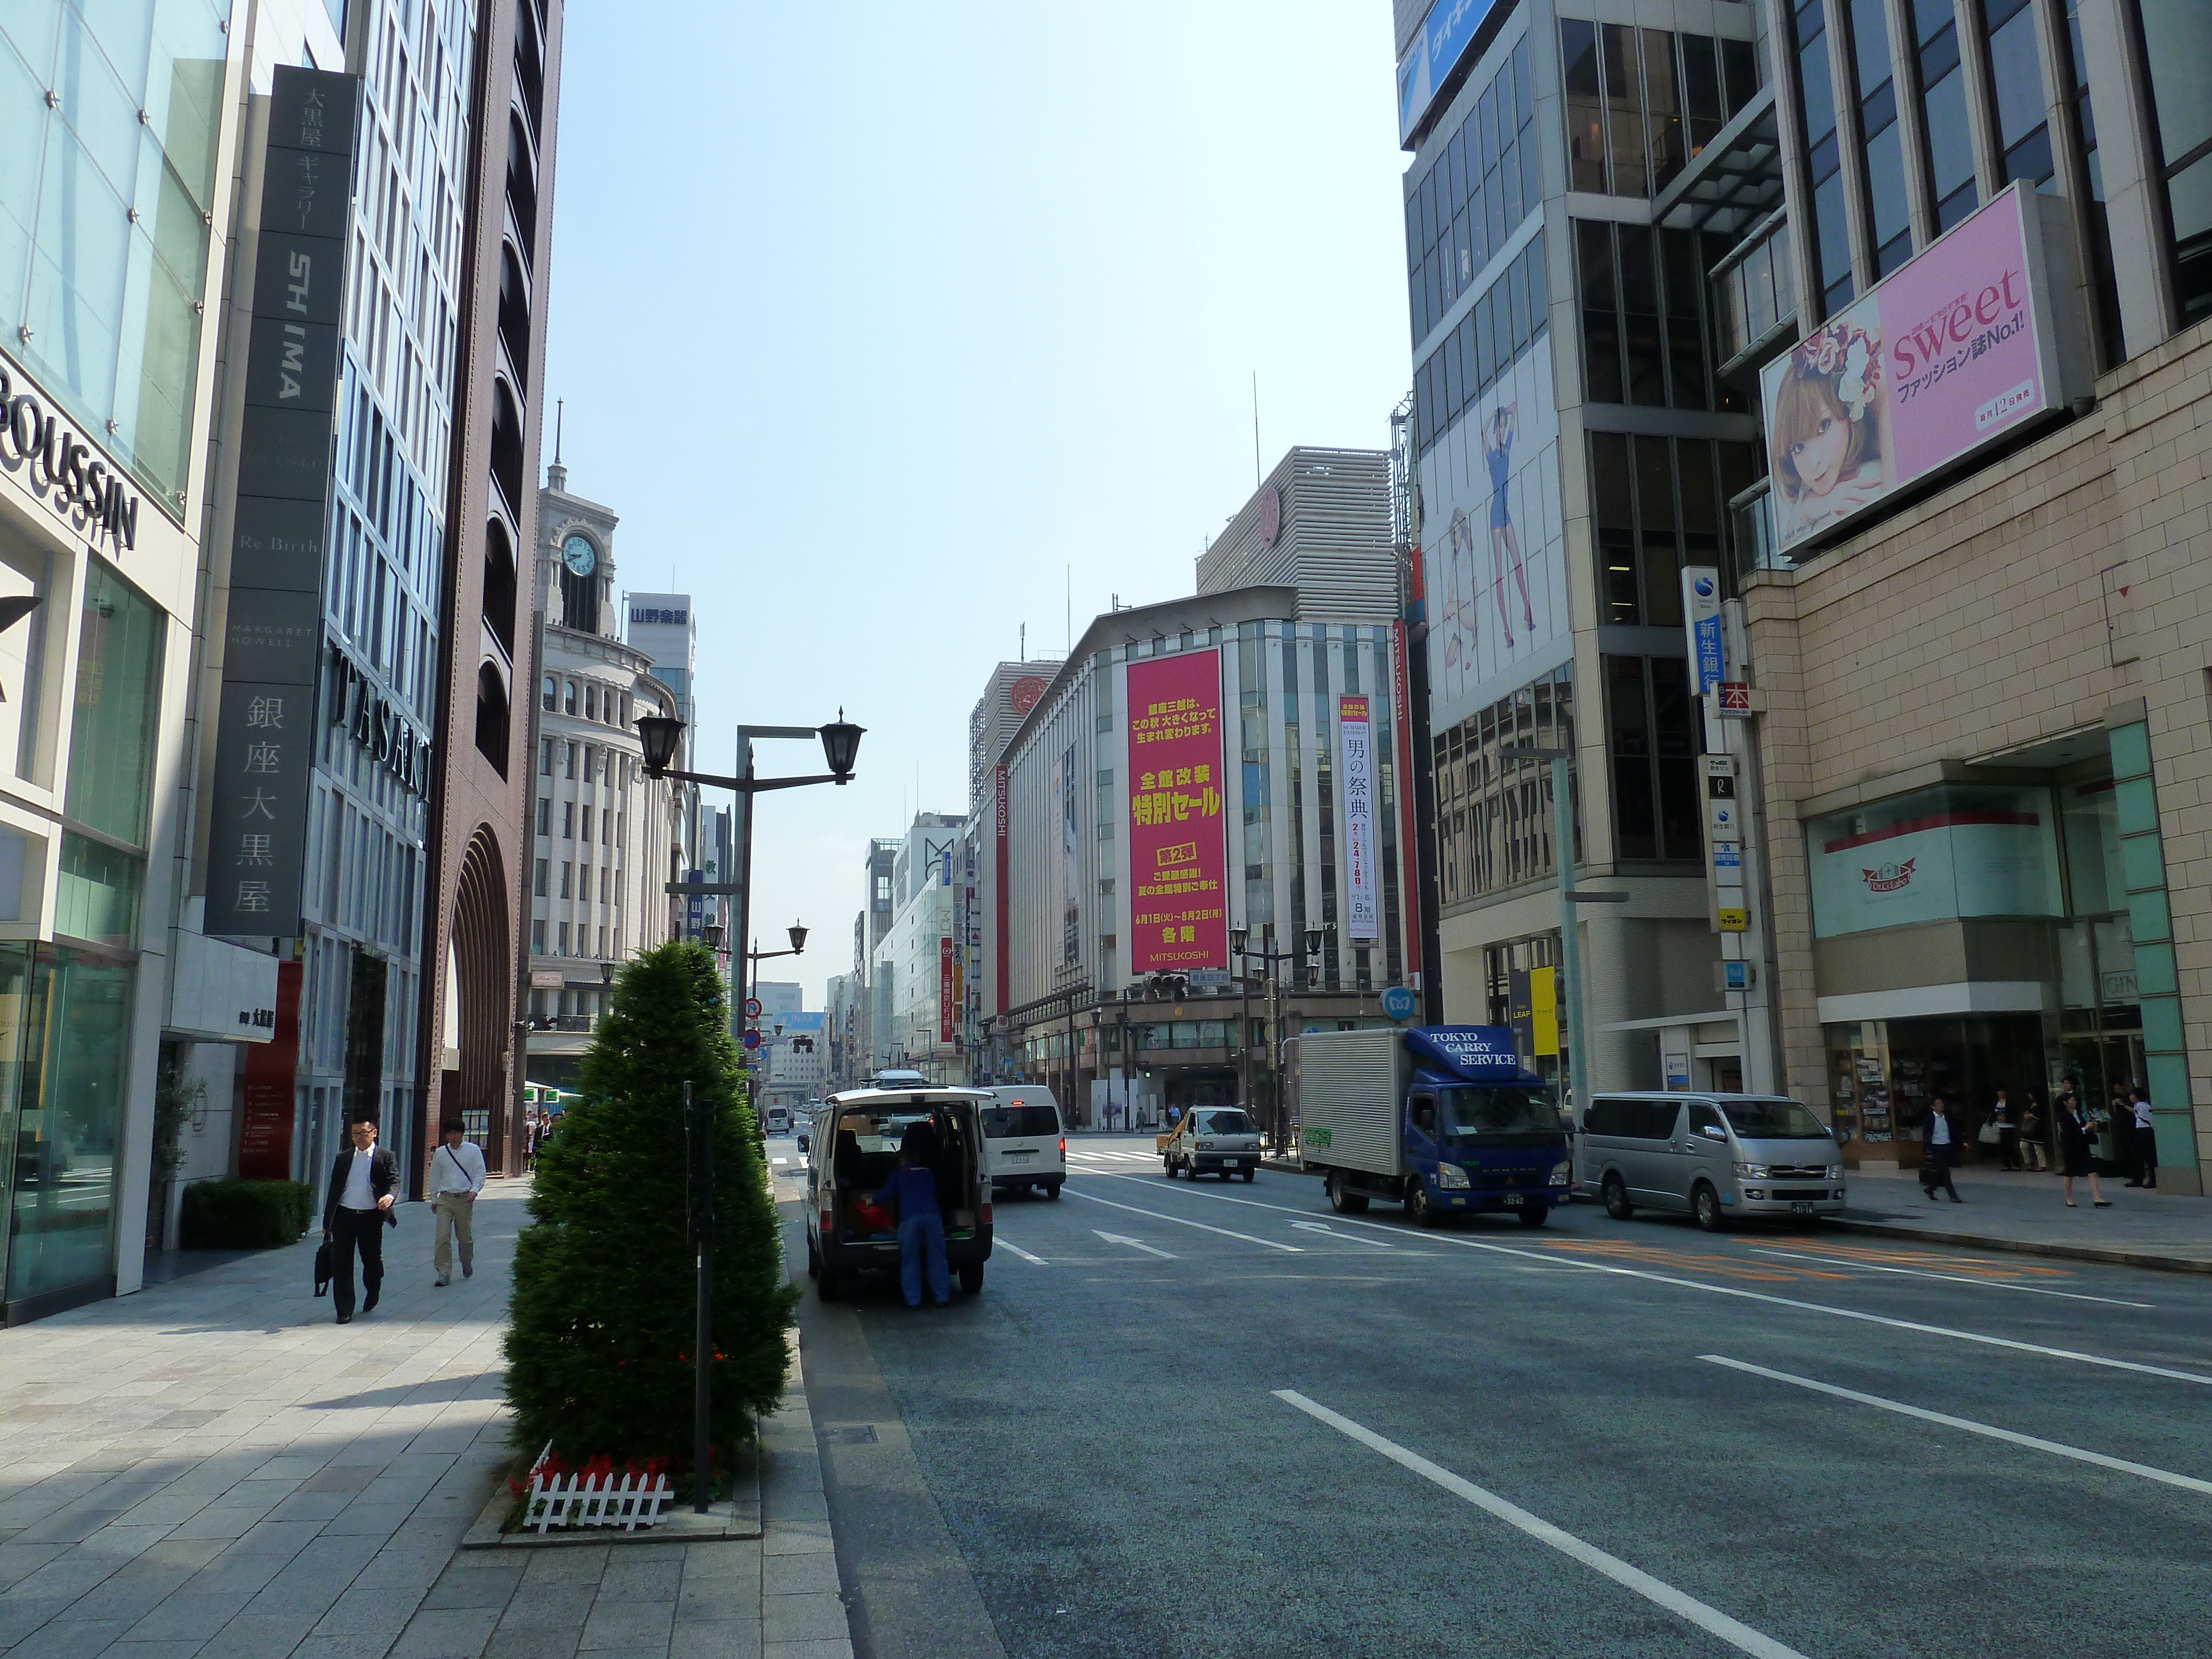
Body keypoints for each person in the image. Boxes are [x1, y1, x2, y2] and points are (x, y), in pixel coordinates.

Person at [1769, 319, 1887, 542]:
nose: (1813, 463)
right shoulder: (1806, 501)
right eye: (1798, 447)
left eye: (1824, 426)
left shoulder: (1871, 479)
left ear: (1850, 407)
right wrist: (1809, 510)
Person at [322, 1117, 398, 1323]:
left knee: (371, 1260)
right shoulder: (344, 1157)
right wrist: (327, 1222)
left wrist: (390, 1197)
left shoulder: (385, 1156)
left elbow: (394, 1181)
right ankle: (344, 1309)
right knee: (342, 1263)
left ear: (374, 1133)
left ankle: (373, 1290)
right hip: (344, 1217)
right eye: (355, 1133)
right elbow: (334, 1190)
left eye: (364, 1133)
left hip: (371, 1217)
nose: (359, 1137)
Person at [873, 1125, 950, 1308]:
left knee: (910, 1260)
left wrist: (871, 1200)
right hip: (933, 1217)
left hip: (910, 1218)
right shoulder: (928, 1172)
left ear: (902, 1159)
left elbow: (886, 1195)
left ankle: (913, 1300)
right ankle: (942, 1297)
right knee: (937, 1258)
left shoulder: (899, 1173)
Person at [1483, 404, 1533, 646]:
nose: (1502, 430)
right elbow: (1482, 434)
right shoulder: (1492, 453)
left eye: (1503, 426)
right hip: (1495, 515)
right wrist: (1495, 413)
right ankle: (1506, 630)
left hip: (1506, 513)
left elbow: (1515, 420)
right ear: (1495, 430)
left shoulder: (1507, 449)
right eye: (1499, 427)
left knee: (1518, 563)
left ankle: (1528, 611)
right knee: (1500, 571)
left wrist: (1508, 412)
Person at [426, 1117, 487, 1286]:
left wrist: (475, 1190)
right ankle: (444, 1271)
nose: (453, 1137)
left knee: (464, 1237)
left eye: (456, 1133)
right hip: (445, 1198)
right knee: (443, 1236)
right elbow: (435, 1177)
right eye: (449, 1134)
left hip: (464, 1198)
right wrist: (433, 1198)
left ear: (462, 1134)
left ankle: (467, 1261)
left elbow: (480, 1172)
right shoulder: (441, 1153)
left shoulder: (473, 1151)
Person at [2056, 1085, 2109, 1208]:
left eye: (2075, 1101)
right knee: (2069, 1173)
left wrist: (2091, 1127)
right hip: (2070, 1147)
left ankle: (2097, 1198)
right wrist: (2083, 1129)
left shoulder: (2079, 1114)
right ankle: (2069, 1199)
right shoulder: (2063, 1116)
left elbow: (2085, 1128)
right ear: (2065, 1103)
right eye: (2071, 1101)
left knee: (2092, 1171)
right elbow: (2067, 1132)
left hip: (2083, 1146)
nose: (2074, 1103)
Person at [1919, 1097, 1961, 1202]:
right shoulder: (1929, 1119)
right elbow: (1926, 1135)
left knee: (1940, 1173)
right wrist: (1928, 1151)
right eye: (1938, 1104)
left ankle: (1931, 1188)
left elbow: (1954, 1132)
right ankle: (1953, 1196)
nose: (1941, 1105)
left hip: (1947, 1146)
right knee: (1946, 1172)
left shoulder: (1947, 1117)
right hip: (1936, 1148)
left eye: (1942, 1103)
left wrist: (1961, 1143)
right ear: (1933, 1106)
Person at [2126, 1087, 2158, 1190]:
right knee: (2139, 1156)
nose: (2130, 1097)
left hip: (2145, 1131)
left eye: (2132, 1095)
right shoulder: (2140, 1106)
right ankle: (2139, 1179)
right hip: (2142, 1131)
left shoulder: (2143, 1106)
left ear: (2137, 1096)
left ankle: (2147, 1180)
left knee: (2146, 1156)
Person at [1989, 1089, 2022, 1172]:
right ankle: (2006, 1164)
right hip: (1998, 1126)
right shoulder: (1995, 1102)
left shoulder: (2011, 1102)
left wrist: (2007, 1118)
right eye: (1999, 1091)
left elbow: (2015, 1112)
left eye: (2002, 1091)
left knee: (2010, 1145)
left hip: (2009, 1126)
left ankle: (2016, 1164)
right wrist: (1996, 1118)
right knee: (2001, 1146)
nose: (2001, 1093)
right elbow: (1991, 1113)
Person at [2018, 1092, 2047, 1172]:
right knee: (2023, 1145)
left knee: (2038, 1147)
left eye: (2031, 1094)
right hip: (2029, 1129)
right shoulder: (2030, 1104)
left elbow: (2042, 1117)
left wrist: (2031, 1116)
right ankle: (2029, 1163)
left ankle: (2042, 1165)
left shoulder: (2041, 1105)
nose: (2029, 1095)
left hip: (2037, 1128)